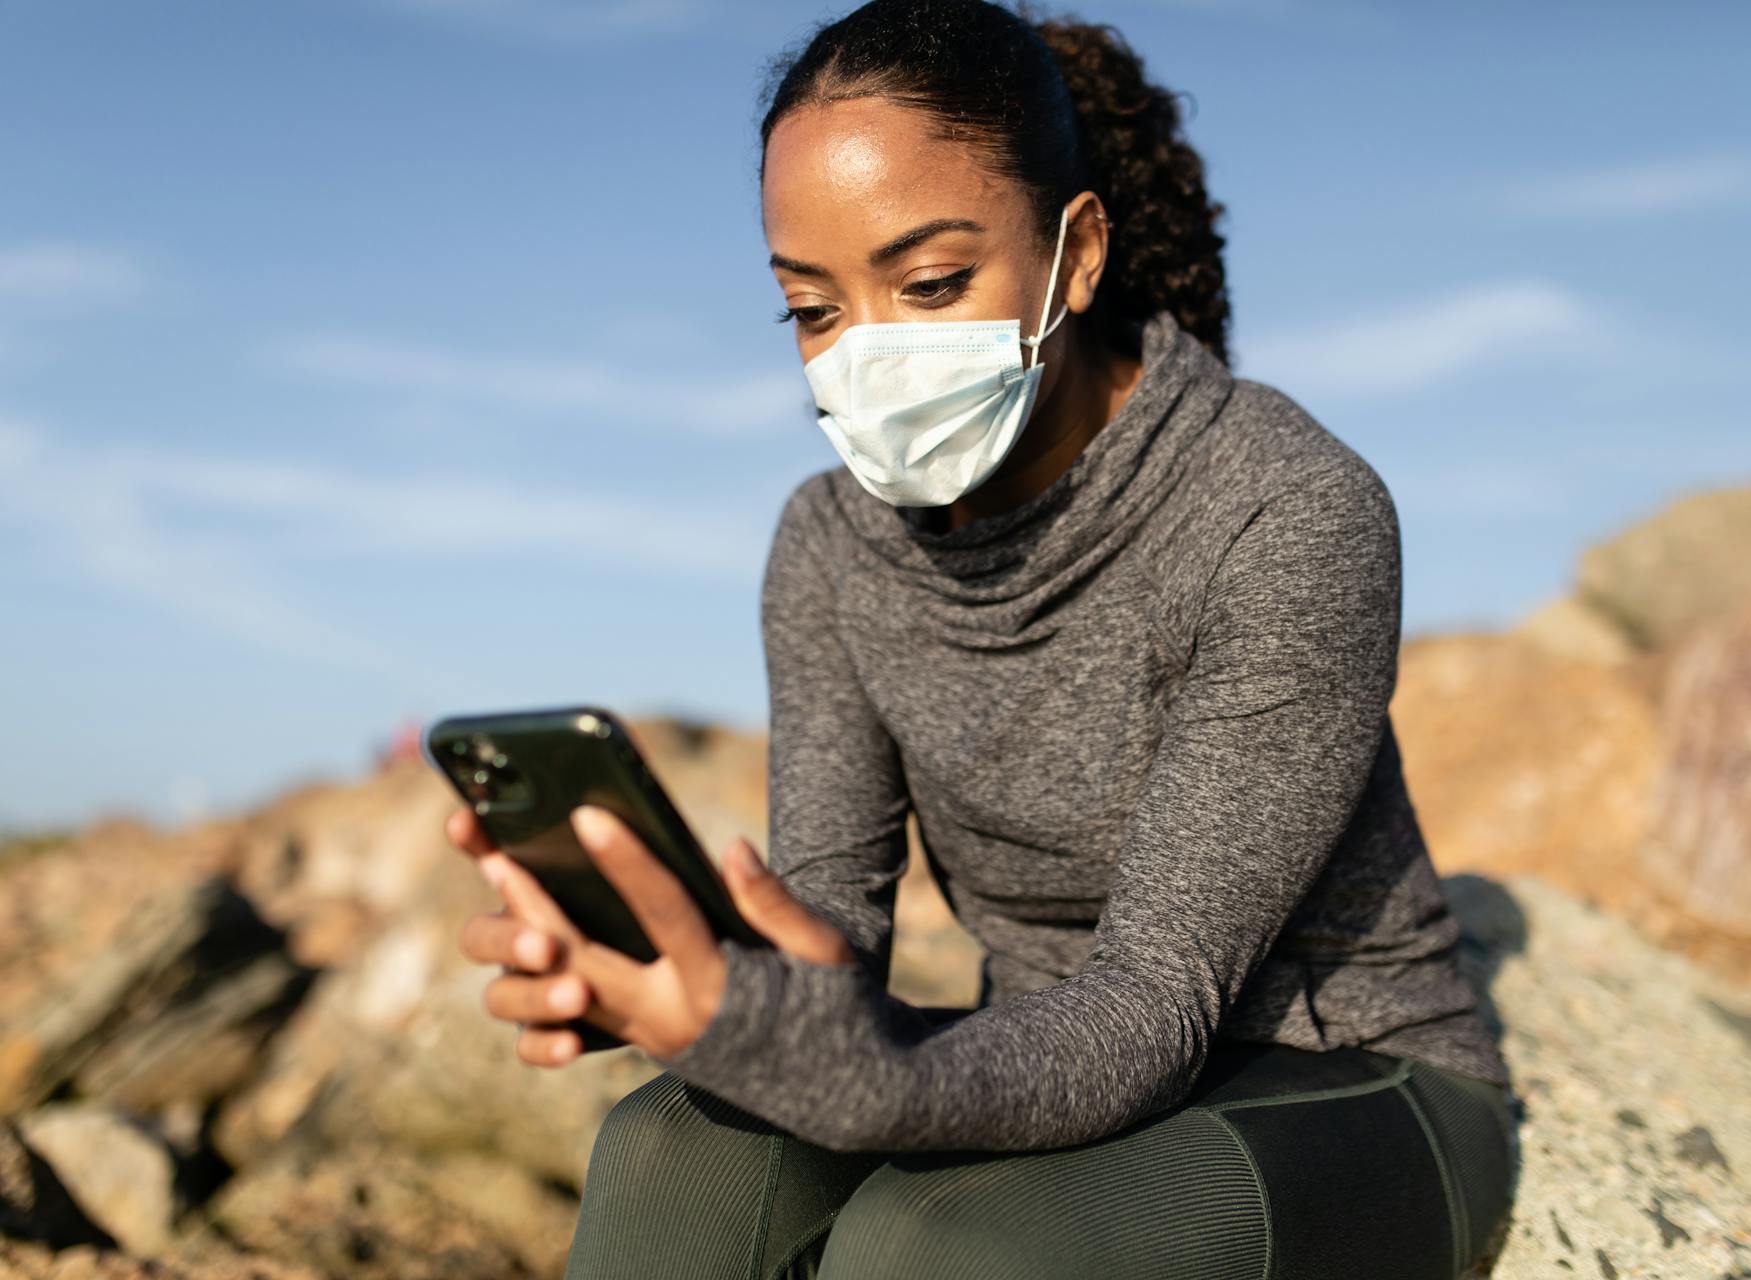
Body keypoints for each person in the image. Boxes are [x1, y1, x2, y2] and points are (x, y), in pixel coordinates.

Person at [443, 1, 1520, 1275]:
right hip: (1040, 1058)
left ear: (1076, 255)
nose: (869, 353)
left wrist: (850, 1068)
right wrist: (692, 983)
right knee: (671, 1147)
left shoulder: (1285, 510)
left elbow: (1153, 1008)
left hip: (1338, 1073)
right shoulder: (829, 543)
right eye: (813, 307)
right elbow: (837, 926)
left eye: (932, 283)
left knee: (935, 1243)